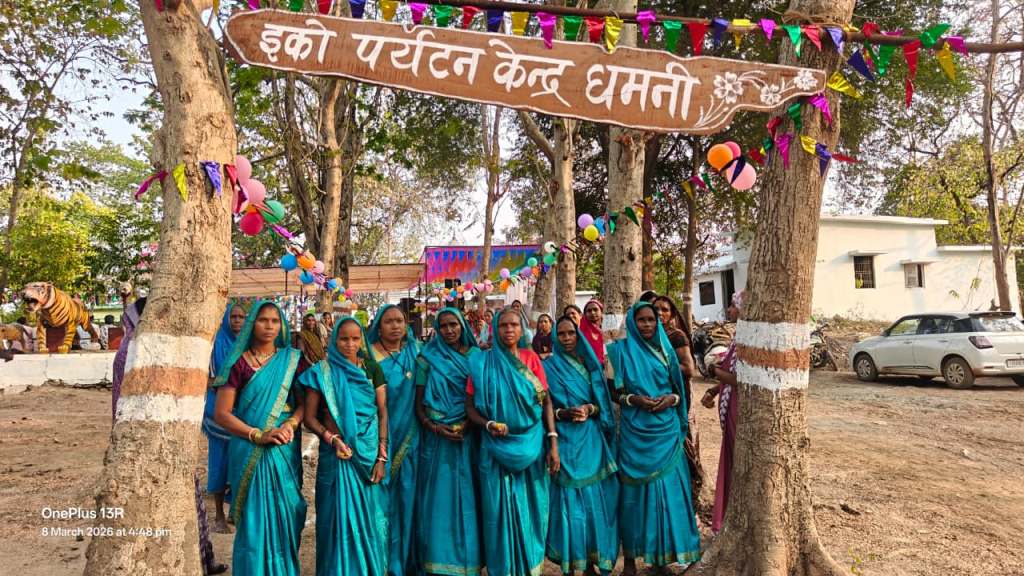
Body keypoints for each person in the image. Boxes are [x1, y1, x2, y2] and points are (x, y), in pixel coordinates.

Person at [112, 297, 226, 575]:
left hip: (170, 437)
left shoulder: (152, 347)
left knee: (186, 500)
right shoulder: (134, 350)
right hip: (149, 439)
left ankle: (199, 559)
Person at [213, 301, 308, 576]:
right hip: (250, 446)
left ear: (282, 326)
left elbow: (304, 404)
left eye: (275, 321)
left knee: (288, 511)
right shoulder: (238, 363)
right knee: (255, 518)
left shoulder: (292, 360)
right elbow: (222, 413)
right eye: (263, 320)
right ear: (252, 323)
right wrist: (257, 435)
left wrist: (291, 422)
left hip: (283, 446)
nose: (269, 326)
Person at [465, 307, 560, 576]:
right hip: (494, 448)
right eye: (504, 325)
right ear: (495, 328)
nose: (509, 330)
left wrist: (553, 441)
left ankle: (530, 567)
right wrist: (487, 424)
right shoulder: (481, 363)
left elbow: (546, 402)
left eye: (514, 325)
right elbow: (470, 407)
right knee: (496, 511)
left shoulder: (531, 359)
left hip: (531, 445)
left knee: (532, 508)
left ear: (522, 329)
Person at [608, 302, 700, 574]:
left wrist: (671, 398)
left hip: (667, 432)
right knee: (633, 495)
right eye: (641, 320)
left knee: (668, 494)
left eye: (651, 319)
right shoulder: (619, 352)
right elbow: (613, 392)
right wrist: (633, 399)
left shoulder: (666, 350)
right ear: (632, 322)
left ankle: (662, 559)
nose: (647, 324)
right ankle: (631, 560)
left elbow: (678, 387)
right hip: (636, 433)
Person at [301, 316, 389, 576]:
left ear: (362, 339)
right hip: (337, 457)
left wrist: (382, 457)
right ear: (333, 339)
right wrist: (333, 439)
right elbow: (309, 418)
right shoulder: (322, 373)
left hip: (370, 455)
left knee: (371, 519)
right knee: (336, 519)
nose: (350, 344)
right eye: (343, 338)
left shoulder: (372, 369)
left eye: (355, 338)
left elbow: (382, 412)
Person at [544, 316, 619, 576]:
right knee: (569, 503)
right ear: (555, 337)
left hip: (590, 439)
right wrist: (564, 414)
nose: (566, 338)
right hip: (562, 438)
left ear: (578, 335)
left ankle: (591, 562)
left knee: (593, 501)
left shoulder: (591, 365)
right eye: (561, 334)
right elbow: (547, 405)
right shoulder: (548, 367)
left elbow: (602, 404)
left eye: (570, 333)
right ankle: (573, 562)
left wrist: (589, 408)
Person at [413, 308, 482, 576]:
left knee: (469, 497)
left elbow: (481, 397)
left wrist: (468, 424)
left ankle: (471, 560)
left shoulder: (477, 357)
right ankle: (437, 561)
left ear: (463, 325)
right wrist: (434, 427)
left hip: (467, 436)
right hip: (437, 438)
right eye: (443, 326)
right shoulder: (426, 358)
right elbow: (418, 405)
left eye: (454, 324)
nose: (449, 330)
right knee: (439, 501)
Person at [367, 304, 421, 576]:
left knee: (410, 497)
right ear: (379, 325)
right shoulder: (368, 355)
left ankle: (407, 561)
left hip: (412, 436)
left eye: (400, 320)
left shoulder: (416, 351)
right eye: (388, 321)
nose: (395, 326)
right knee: (383, 501)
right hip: (380, 435)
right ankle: (384, 562)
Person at [653, 295, 705, 513]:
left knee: (680, 447)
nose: (660, 314)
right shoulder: (646, 336)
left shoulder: (676, 336)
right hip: (651, 399)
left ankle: (688, 496)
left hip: (674, 396)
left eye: (665, 310)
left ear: (672, 313)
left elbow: (689, 368)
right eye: (656, 310)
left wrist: (661, 367)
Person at [702, 291, 743, 534]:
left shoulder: (749, 340)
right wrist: (715, 389)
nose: (729, 310)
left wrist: (713, 370)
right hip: (730, 408)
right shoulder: (739, 337)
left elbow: (740, 379)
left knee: (736, 460)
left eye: (732, 306)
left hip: (739, 410)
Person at [204, 303, 247, 534]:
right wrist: (230, 388)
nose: (237, 321)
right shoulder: (216, 344)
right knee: (219, 462)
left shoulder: (246, 343)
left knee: (240, 460)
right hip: (218, 411)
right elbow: (209, 379)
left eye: (241, 317)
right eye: (234, 316)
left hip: (241, 410)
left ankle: (234, 510)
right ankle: (219, 515)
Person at [580, 299, 606, 364]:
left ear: (601, 311)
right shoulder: (581, 333)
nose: (592, 312)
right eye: (589, 311)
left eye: (595, 309)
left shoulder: (608, 330)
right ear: (585, 314)